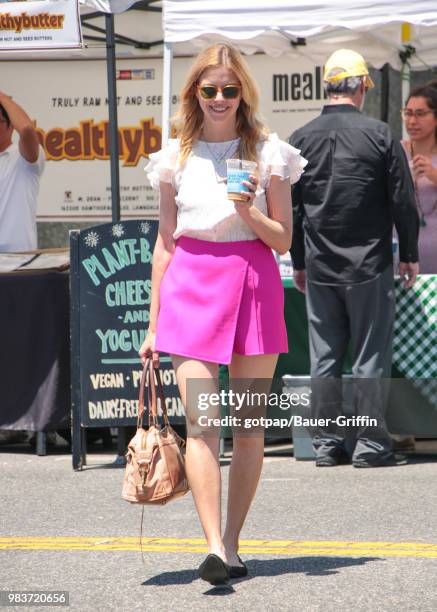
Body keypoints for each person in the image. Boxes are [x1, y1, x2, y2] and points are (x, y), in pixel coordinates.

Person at [139, 43, 306, 585]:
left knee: (250, 428)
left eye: (229, 90)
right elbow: (165, 245)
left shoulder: (270, 152)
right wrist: (151, 321)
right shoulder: (174, 158)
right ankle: (212, 545)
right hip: (190, 287)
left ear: (243, 94)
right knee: (203, 425)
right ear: (193, 93)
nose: (218, 98)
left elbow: (283, 241)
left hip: (253, 283)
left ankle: (233, 543)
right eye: (208, 89)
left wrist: (247, 210)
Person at [288, 49, 419, 469]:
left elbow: (292, 209)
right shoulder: (381, 135)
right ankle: (370, 444)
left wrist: (299, 261)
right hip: (370, 263)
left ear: (327, 87)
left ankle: (326, 445)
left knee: (324, 358)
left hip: (321, 264)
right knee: (368, 356)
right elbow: (403, 201)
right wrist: (410, 254)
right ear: (362, 86)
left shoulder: (300, 138)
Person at [0, 91, 44, 252]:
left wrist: (2, 98)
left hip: (18, 262)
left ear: (11, 125)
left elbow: (26, 129)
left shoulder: (21, 157)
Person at [401, 83, 437, 272]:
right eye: (408, 113)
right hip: (402, 261)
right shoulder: (395, 152)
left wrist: (433, 175)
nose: (412, 121)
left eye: (420, 114)